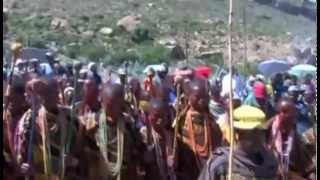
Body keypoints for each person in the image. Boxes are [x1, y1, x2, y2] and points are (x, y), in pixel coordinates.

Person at [14, 78, 81, 179]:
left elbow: (80, 149)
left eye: (53, 92)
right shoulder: (29, 120)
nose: (49, 96)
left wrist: (74, 161)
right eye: (45, 93)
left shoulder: (70, 118)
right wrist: (25, 166)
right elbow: (22, 152)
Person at [79, 83, 143, 180]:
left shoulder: (129, 124)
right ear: (102, 102)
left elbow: (137, 151)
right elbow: (82, 150)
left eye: (115, 105)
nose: (112, 109)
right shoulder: (91, 123)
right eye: (108, 105)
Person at [198, 105, 278, 180]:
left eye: (261, 131)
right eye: (253, 132)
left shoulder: (269, 160)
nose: (258, 137)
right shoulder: (222, 163)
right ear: (237, 132)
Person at [175, 80, 222, 180]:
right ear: (189, 97)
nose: (202, 100)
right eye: (197, 96)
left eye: (205, 96)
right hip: (190, 168)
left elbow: (218, 143)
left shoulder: (210, 120)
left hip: (210, 167)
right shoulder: (181, 122)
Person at [266, 97, 315, 179]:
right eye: (290, 119)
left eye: (293, 118)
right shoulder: (265, 134)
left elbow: (303, 161)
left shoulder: (293, 133)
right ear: (280, 115)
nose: (293, 122)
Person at [140, 98, 175, 180]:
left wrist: (173, 159)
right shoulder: (143, 134)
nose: (160, 120)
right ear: (149, 116)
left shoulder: (171, 135)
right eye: (156, 116)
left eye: (163, 116)